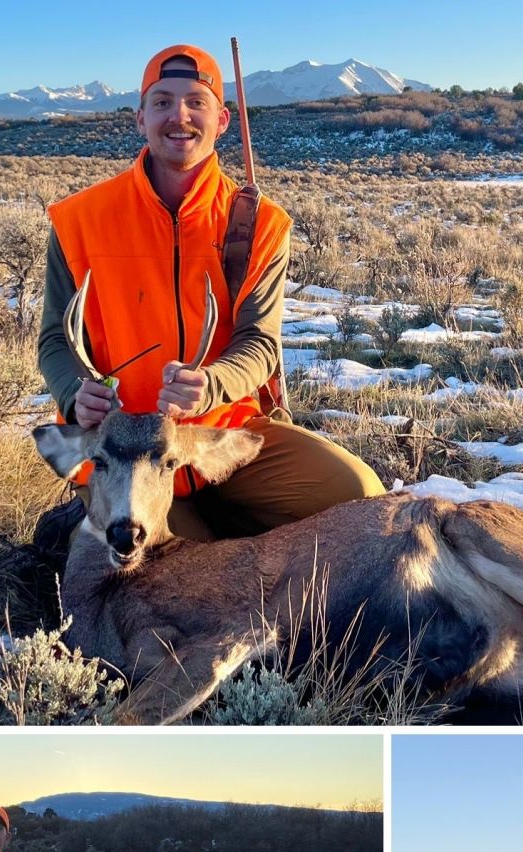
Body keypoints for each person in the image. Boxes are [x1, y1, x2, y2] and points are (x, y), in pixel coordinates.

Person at [37, 42, 384, 541]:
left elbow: (259, 343)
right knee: (169, 569)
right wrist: (74, 395)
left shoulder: (260, 222)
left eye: (195, 102)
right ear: (140, 118)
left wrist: (212, 384)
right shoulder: (80, 220)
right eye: (162, 102)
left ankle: (228, 523)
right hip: (122, 448)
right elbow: (54, 339)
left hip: (221, 434)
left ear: (221, 120)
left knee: (359, 495)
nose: (179, 116)